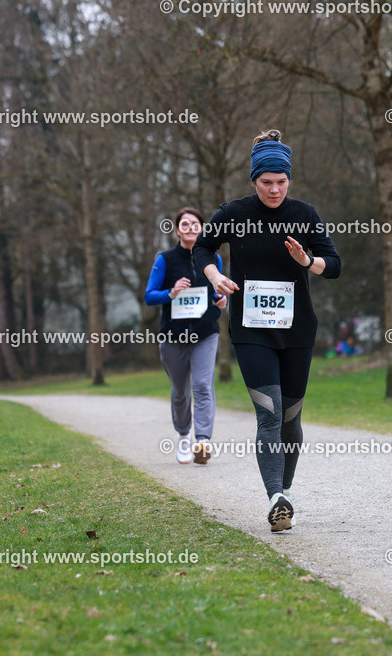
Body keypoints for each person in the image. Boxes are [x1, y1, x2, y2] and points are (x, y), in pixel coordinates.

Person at [194, 129, 341, 532]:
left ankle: (285, 494)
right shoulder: (234, 214)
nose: (274, 190)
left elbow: (334, 264)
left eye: (281, 182)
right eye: (266, 183)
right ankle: (274, 495)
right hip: (251, 329)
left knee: (291, 416)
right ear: (254, 180)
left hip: (297, 332)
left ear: (288, 179)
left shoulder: (304, 214)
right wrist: (213, 275)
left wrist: (308, 260)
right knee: (269, 414)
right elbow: (202, 247)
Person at [145, 207, 228, 465]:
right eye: (185, 224)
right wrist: (171, 292)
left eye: (195, 224)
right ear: (177, 229)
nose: (190, 228)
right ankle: (183, 437)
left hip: (205, 333)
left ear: (202, 229)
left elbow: (217, 293)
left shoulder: (213, 258)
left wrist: (221, 300)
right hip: (173, 336)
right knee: (180, 392)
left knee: (203, 386)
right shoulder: (165, 259)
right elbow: (149, 296)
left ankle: (202, 440)